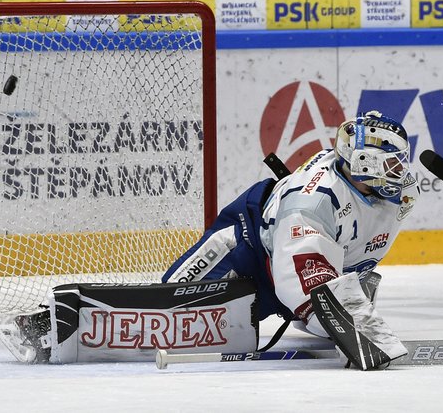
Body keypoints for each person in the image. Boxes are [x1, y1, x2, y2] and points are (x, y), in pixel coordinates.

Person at [163, 109, 418, 339]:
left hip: (290, 259)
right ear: (365, 163)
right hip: (249, 249)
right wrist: (347, 325)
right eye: (392, 164)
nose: (400, 171)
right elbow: (299, 278)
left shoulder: (397, 195)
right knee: (170, 315)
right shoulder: (313, 203)